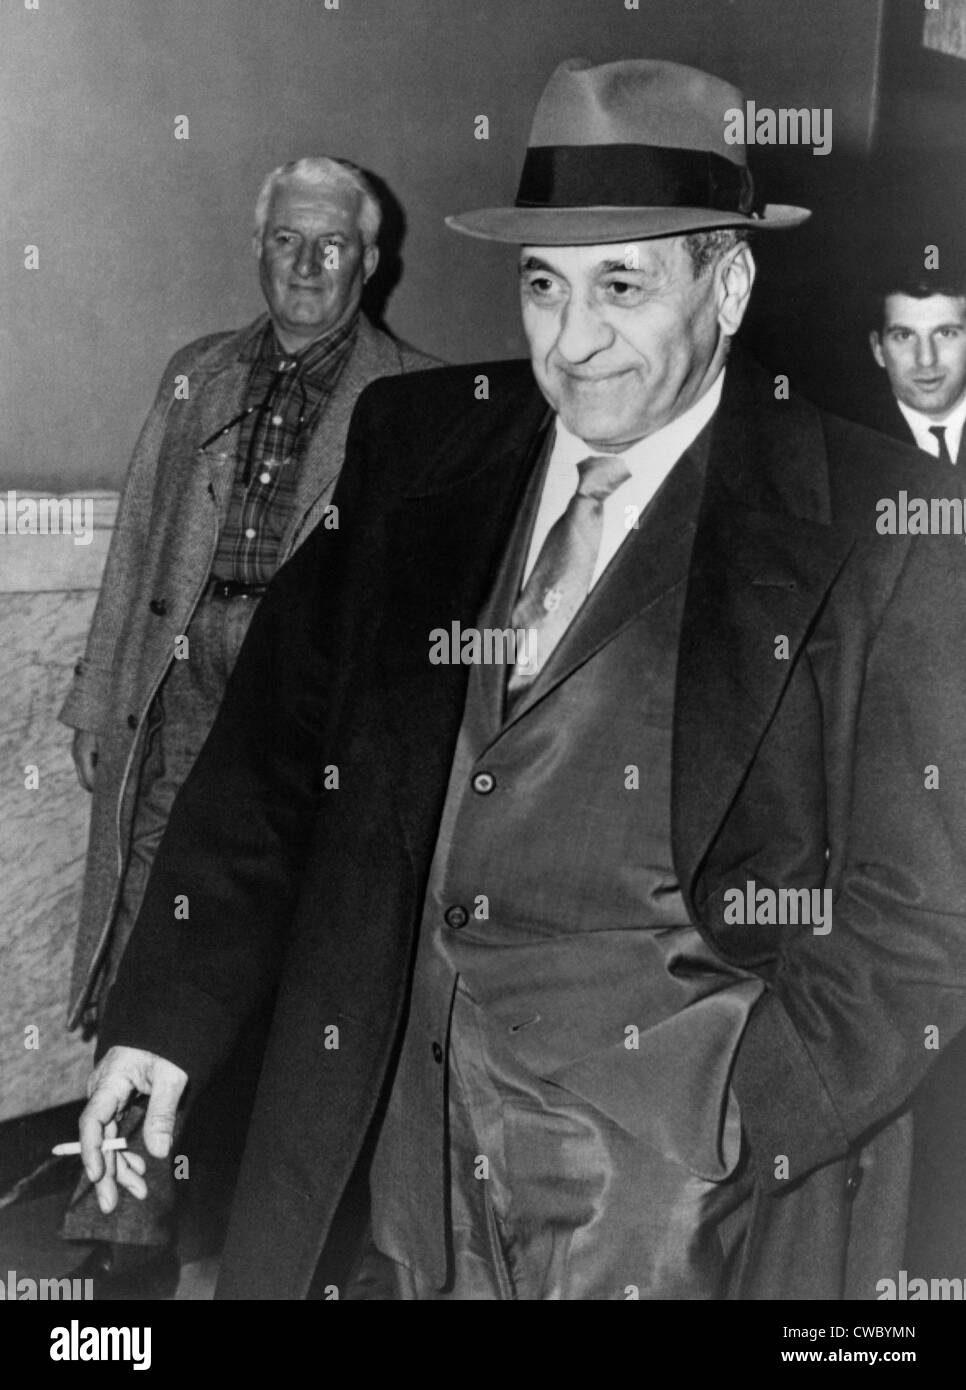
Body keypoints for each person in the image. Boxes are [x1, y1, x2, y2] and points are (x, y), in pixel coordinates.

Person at [79, 58, 966, 1300]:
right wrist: (167, 1017)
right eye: (543, 285)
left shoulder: (888, 523)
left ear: (732, 286)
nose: (573, 337)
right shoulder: (414, 451)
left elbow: (920, 916)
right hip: (387, 1151)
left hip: (669, 1207)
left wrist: (736, 1122)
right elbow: (272, 758)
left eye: (624, 284)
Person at [59, 154, 436, 1296]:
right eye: (287, 241)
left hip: (303, 729)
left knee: (277, 985)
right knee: (147, 961)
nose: (308, 264)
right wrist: (97, 698)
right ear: (258, 248)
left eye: (333, 245)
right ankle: (119, 1247)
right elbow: (136, 545)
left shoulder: (408, 403)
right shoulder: (199, 376)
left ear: (371, 263)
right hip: (182, 700)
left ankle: (271, 1248)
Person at [867, 263, 966, 464]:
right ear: (878, 349)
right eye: (904, 336)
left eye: (945, 333)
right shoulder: (848, 444)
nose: (926, 359)